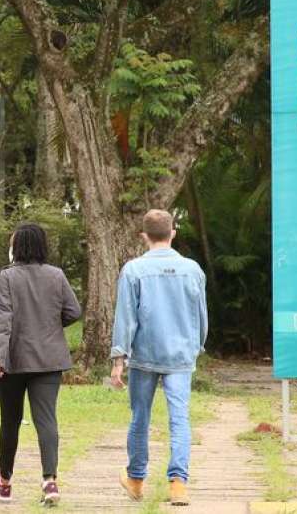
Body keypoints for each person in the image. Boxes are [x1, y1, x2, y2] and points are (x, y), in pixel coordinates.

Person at [110, 209, 207, 507]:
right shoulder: (193, 269)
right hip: (180, 355)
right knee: (180, 419)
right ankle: (178, 484)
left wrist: (119, 358)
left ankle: (137, 480)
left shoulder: (134, 270)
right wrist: (197, 346)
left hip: (144, 355)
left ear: (144, 236)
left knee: (140, 417)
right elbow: (202, 316)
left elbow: (125, 318)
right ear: (172, 233)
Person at [0, 222, 82, 506]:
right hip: (49, 360)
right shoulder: (56, 275)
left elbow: (2, 320)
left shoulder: (6, 278)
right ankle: (50, 481)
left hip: (12, 361)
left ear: (16, 247)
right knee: (46, 420)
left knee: (10, 421)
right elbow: (73, 311)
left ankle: (5, 481)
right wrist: (52, 327)